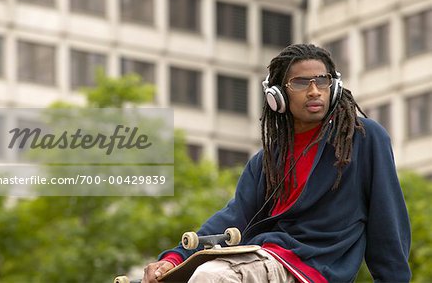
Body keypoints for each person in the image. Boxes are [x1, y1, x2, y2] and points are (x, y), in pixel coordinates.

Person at [142, 44, 411, 283]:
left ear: (335, 86)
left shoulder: (362, 137)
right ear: (277, 95)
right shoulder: (266, 161)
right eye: (301, 83)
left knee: (213, 276)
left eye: (322, 81)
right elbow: (232, 218)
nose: (314, 91)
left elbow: (387, 217)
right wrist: (175, 259)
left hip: (312, 269)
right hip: (265, 256)